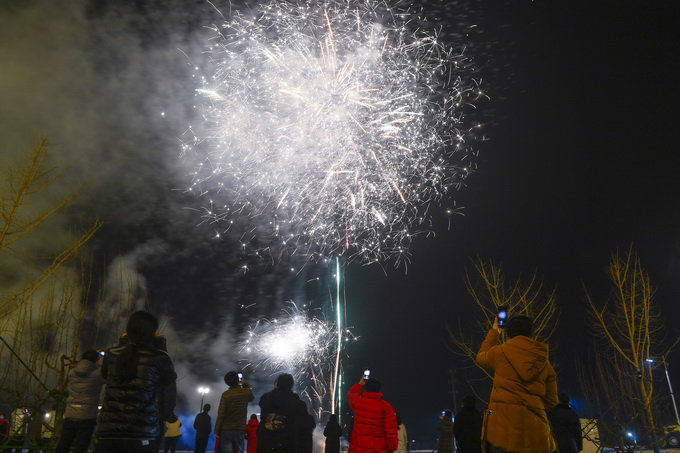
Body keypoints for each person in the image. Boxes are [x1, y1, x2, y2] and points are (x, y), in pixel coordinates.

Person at [95, 310, 177, 453]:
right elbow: (168, 389)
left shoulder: (111, 354)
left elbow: (104, 377)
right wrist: (160, 344)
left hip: (109, 431)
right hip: (142, 431)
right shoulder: (160, 358)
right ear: (153, 331)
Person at [476, 314, 558, 453]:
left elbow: (480, 357)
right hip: (536, 437)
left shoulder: (498, 352)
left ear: (508, 333)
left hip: (501, 435)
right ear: (530, 333)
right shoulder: (544, 362)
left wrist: (495, 331)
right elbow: (551, 401)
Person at [55, 350, 106, 453]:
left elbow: (84, 368)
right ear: (96, 361)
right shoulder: (98, 374)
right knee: (81, 447)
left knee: (63, 445)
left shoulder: (72, 372)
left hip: (70, 414)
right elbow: (108, 376)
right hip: (87, 416)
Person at [346, 376, 398, 453]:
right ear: (378, 389)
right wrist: (392, 448)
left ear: (366, 388)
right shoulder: (386, 407)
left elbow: (351, 394)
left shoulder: (358, 402)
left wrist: (360, 384)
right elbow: (390, 431)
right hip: (377, 449)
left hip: (357, 449)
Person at [257, 373, 299, 453]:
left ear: (277, 383)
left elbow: (263, 417)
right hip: (286, 440)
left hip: (267, 438)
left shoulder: (265, 398)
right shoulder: (295, 401)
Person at [214, 371, 254, 453]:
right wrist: (244, 384)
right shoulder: (246, 392)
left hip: (226, 429)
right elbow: (251, 398)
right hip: (240, 428)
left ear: (227, 382)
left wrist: (217, 430)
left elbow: (221, 414)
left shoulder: (225, 394)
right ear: (238, 380)